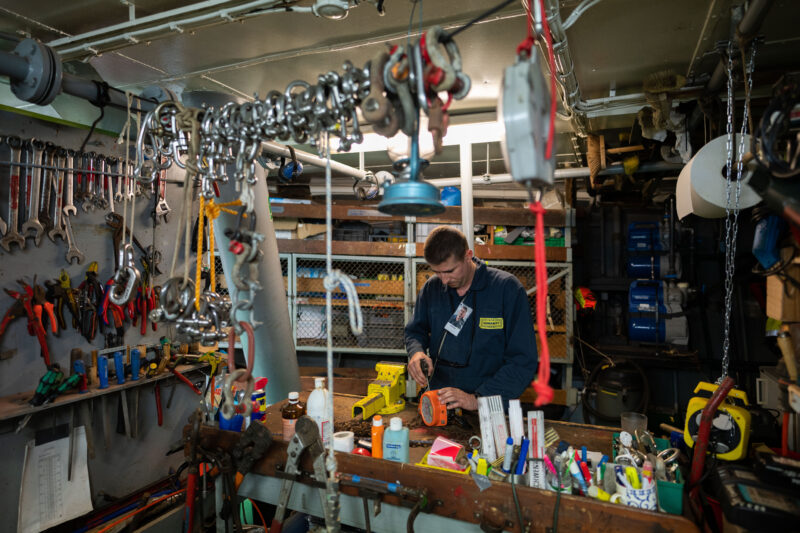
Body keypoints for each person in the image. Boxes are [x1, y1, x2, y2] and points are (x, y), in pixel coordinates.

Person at [405, 226, 538, 411]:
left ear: (468, 255)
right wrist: (416, 351)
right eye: (437, 271)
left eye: (450, 271)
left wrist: (478, 399)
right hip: (439, 402)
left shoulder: (506, 289)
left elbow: (523, 360)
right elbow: (415, 331)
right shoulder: (431, 288)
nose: (443, 280)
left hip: (491, 406)